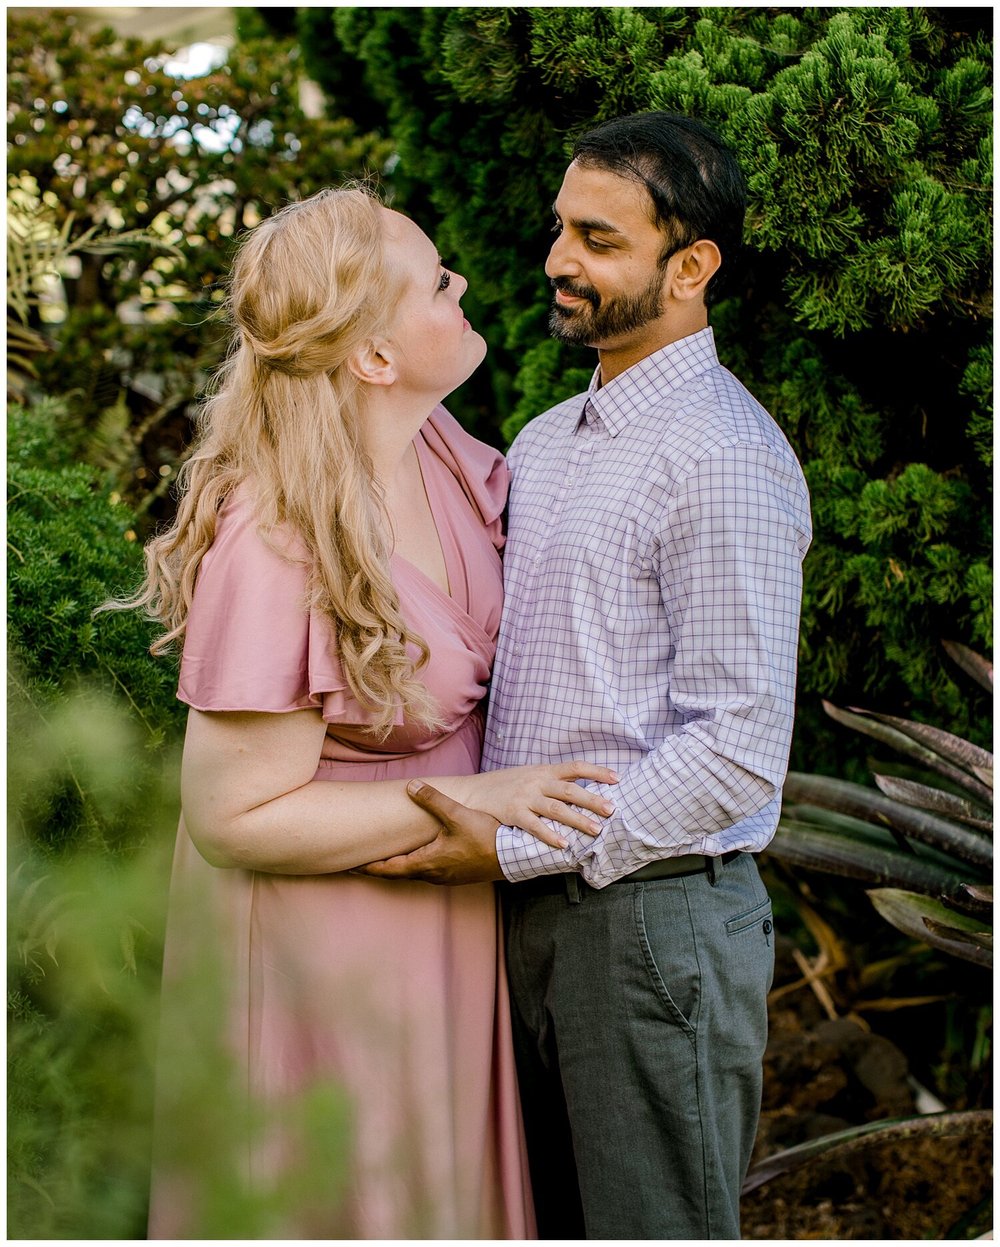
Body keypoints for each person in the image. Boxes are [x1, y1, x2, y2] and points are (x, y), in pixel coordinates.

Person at [124, 185, 620, 1239]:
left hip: (435, 917)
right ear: (375, 359)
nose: (465, 284)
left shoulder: (437, 450)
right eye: (437, 282)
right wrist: (480, 794)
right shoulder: (276, 537)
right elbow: (230, 817)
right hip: (324, 947)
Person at [361, 113, 813, 1239]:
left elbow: (737, 742)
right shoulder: (550, 437)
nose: (559, 258)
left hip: (648, 924)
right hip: (517, 913)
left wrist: (512, 843)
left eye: (599, 239)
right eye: (561, 227)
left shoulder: (727, 457)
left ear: (690, 265)